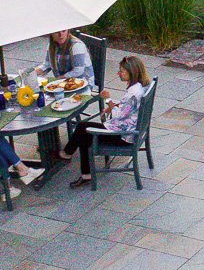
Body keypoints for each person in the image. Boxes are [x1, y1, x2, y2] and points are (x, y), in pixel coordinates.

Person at [62, 55, 149, 188]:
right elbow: (128, 108)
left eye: (121, 71)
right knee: (84, 130)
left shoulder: (133, 93)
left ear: (131, 73)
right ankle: (74, 161)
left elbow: (119, 116)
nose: (118, 74)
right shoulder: (139, 87)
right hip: (127, 129)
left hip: (123, 136)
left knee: (83, 130)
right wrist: (113, 107)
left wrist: (108, 101)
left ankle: (67, 156)